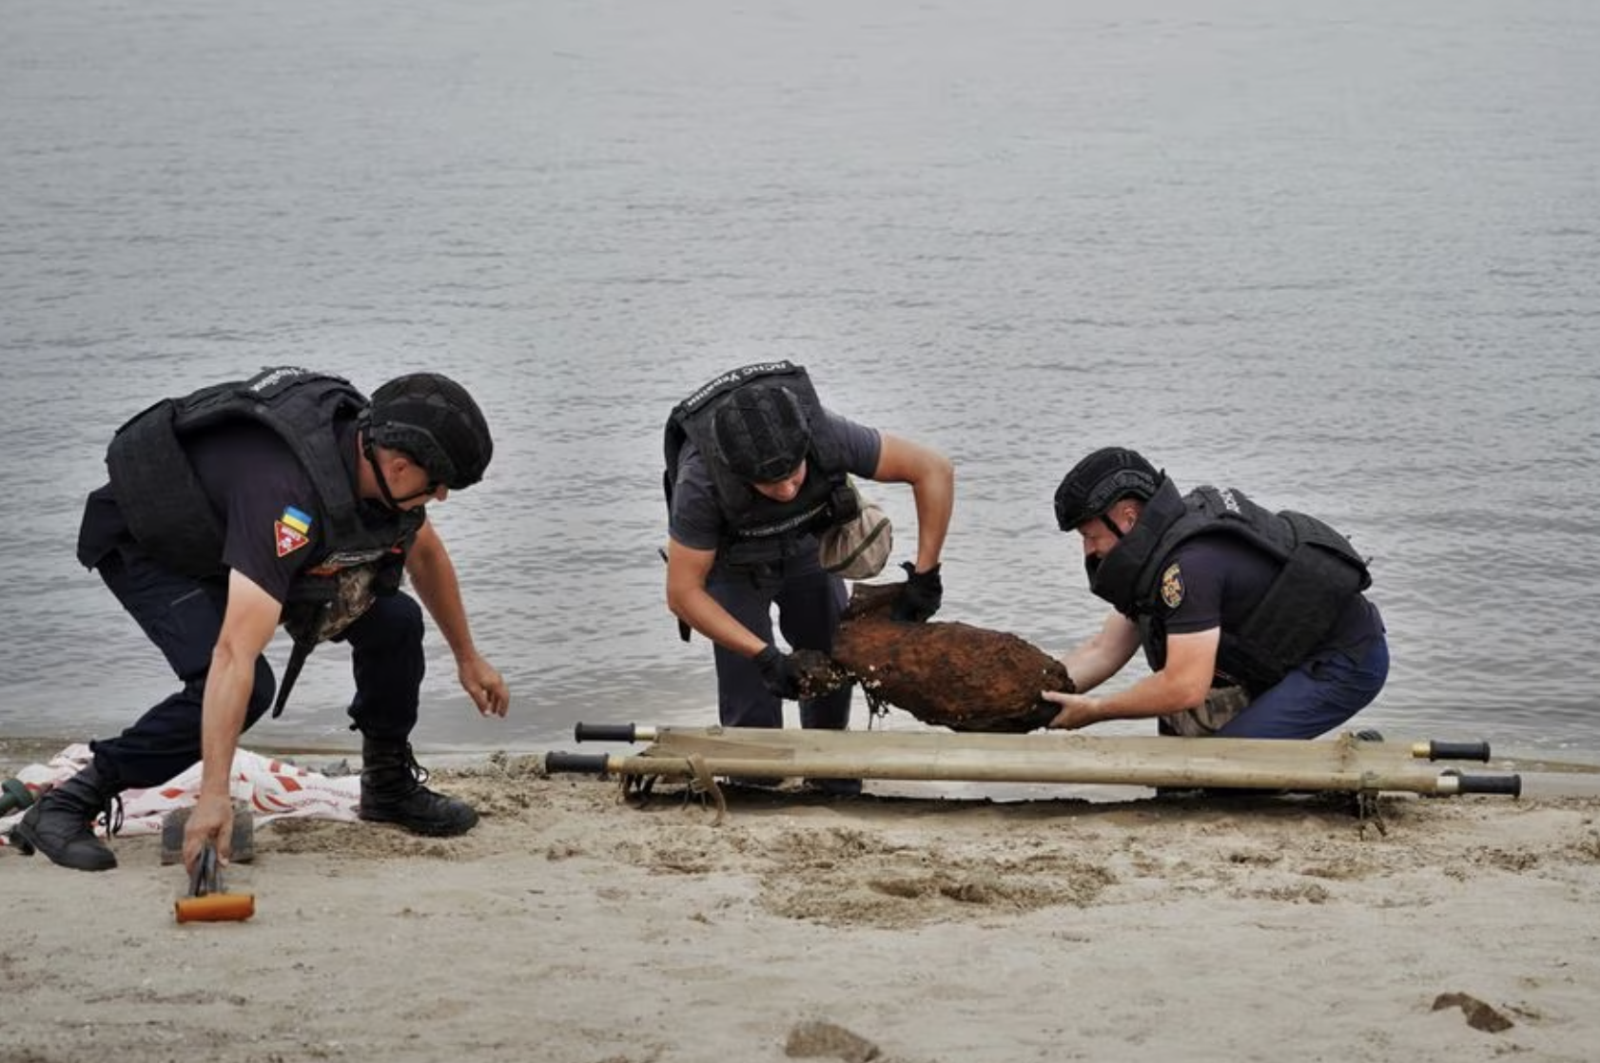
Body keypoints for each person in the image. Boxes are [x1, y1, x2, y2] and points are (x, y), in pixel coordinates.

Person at [10, 366, 509, 875]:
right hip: (150, 543)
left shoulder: (372, 460)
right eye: (440, 485)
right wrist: (213, 797)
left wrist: (468, 658)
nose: (442, 497)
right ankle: (67, 803)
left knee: (394, 619)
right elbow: (234, 654)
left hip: (234, 529)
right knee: (239, 687)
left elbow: (422, 551)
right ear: (400, 466)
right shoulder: (286, 498)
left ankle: (387, 787)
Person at [662, 361, 954, 757]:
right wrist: (765, 657)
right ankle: (758, 784)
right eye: (769, 482)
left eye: (794, 474)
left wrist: (925, 574)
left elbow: (932, 469)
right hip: (733, 563)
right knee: (751, 691)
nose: (785, 490)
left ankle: (830, 773)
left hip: (805, 545)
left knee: (832, 658)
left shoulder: (825, 435)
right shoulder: (700, 483)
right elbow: (682, 593)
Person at [1042, 446, 1387, 740]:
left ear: (1128, 518)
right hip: (1278, 652)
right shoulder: (1154, 551)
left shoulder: (1190, 567)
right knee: (1178, 779)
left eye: (1090, 535)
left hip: (1343, 660)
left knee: (1225, 774)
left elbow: (1184, 686)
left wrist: (1097, 710)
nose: (1088, 551)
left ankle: (1355, 757)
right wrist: (1039, 698)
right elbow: (1103, 650)